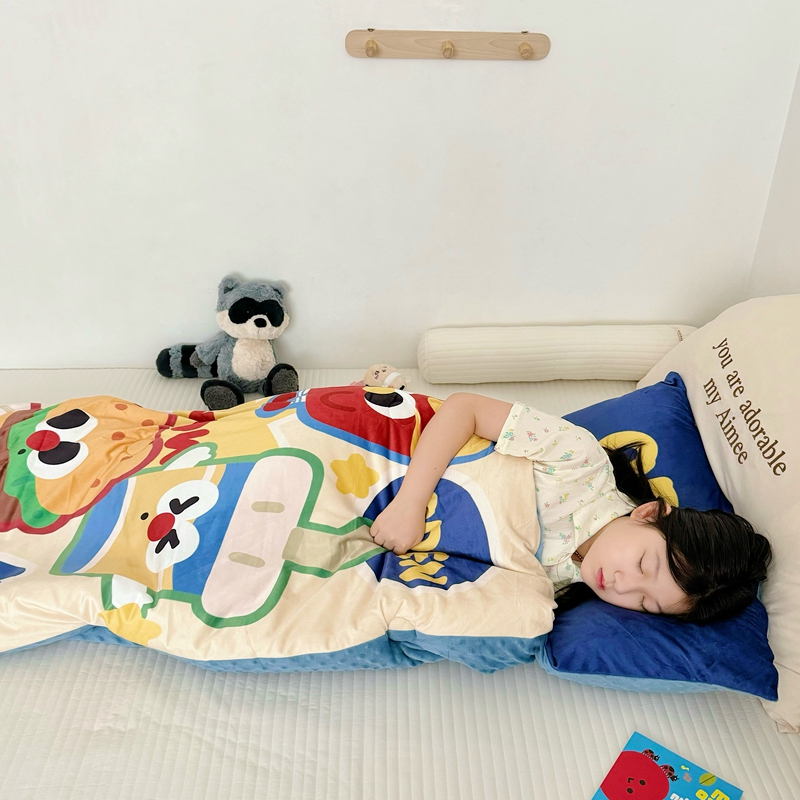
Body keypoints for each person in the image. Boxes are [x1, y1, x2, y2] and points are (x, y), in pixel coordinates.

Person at [369, 392, 772, 624]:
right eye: (643, 565)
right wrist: (410, 502)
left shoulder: (557, 589)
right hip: (391, 452)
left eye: (645, 603)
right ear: (649, 513)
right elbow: (462, 408)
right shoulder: (579, 460)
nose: (622, 586)